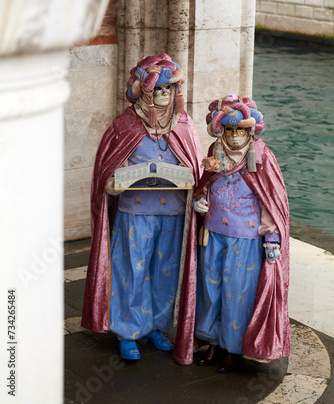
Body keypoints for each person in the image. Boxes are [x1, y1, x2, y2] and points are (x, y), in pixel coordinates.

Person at [81, 54, 203, 364]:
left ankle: (154, 326)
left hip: (174, 212)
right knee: (131, 271)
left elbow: (196, 168)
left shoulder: (184, 124)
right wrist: (111, 182)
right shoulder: (126, 123)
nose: (164, 95)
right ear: (145, 91)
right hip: (135, 212)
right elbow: (108, 167)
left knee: (164, 272)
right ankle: (128, 331)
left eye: (169, 89)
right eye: (158, 89)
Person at [193, 93, 290, 373]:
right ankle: (212, 341)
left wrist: (272, 237)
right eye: (229, 130)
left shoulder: (261, 156)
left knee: (237, 294)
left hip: (245, 239)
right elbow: (205, 184)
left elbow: (271, 199)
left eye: (240, 130)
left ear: (250, 130)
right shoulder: (215, 151)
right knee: (211, 290)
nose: (235, 137)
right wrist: (201, 200)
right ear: (220, 129)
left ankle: (233, 348)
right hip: (212, 233)